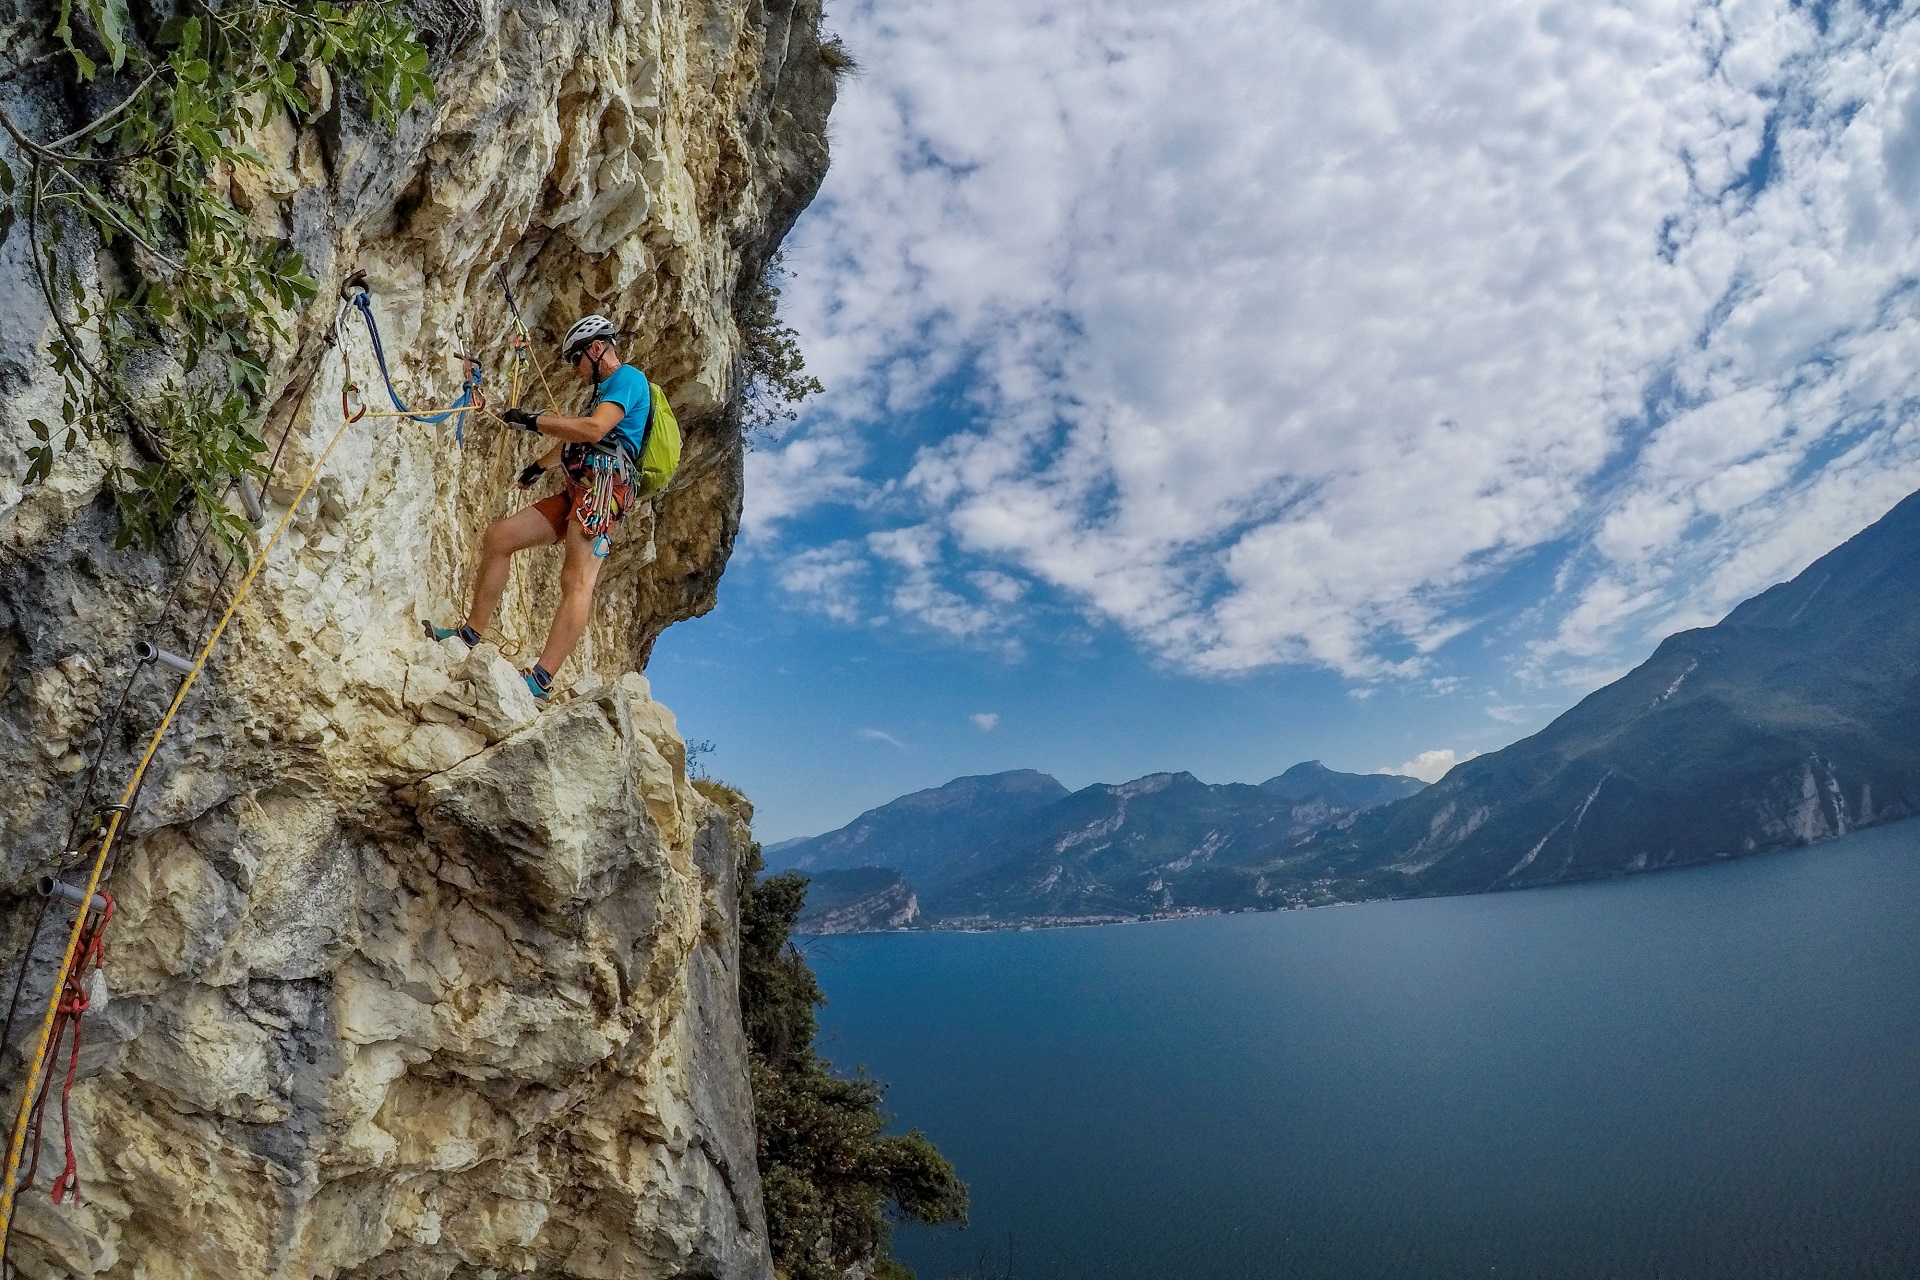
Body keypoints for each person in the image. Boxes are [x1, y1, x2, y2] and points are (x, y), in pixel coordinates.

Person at [425, 314, 650, 700]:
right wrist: (537, 467)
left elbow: (594, 430)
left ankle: (542, 679)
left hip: (601, 490)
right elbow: (578, 439)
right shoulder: (605, 391)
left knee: (576, 581)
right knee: (499, 538)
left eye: (575, 359)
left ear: (597, 349)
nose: (575, 370)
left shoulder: (629, 378)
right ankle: (470, 633)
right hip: (580, 485)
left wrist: (534, 421)